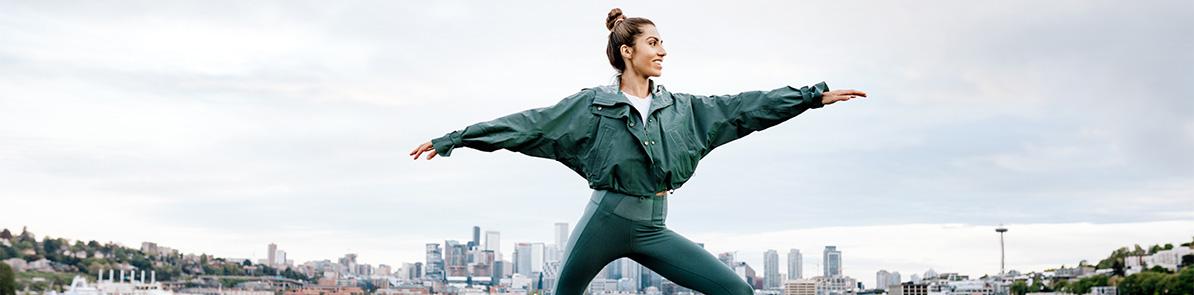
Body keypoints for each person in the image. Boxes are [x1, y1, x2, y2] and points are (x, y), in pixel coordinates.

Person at [410, 8, 866, 295]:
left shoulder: (682, 109)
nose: (663, 50)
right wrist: (454, 138)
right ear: (627, 51)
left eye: (662, 43)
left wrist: (810, 97)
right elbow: (525, 125)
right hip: (603, 221)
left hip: (654, 226)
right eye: (653, 42)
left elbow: (744, 108)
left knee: (737, 291)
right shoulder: (590, 106)